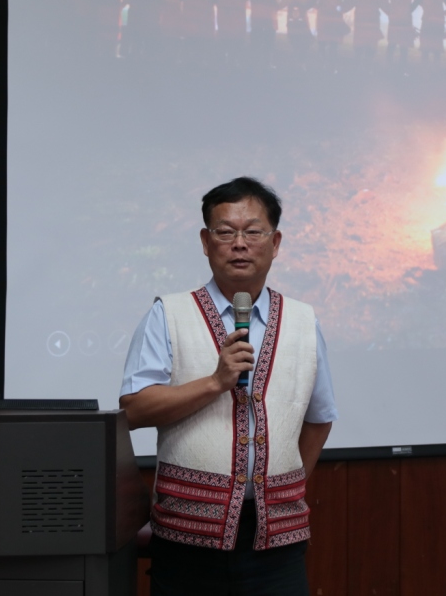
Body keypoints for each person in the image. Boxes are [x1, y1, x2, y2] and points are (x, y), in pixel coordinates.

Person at [120, 177, 337, 596]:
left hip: (276, 543)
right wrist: (215, 382)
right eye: (225, 232)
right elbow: (134, 410)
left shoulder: (303, 321)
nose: (239, 243)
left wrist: (276, 488)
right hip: (187, 539)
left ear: (275, 244)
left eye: (253, 232)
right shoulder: (169, 314)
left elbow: (319, 418)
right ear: (206, 241)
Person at [343, 0, 387, 67]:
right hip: (373, 22)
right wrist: (394, 14)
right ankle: (368, 67)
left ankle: (358, 67)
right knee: (371, 47)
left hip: (360, 22)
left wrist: (339, 9)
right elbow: (384, 3)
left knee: (359, 46)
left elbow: (348, 2)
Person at [309, 0, 349, 68]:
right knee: (333, 45)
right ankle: (332, 65)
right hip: (335, 19)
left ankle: (321, 64)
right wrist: (340, 8)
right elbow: (348, 0)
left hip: (323, 19)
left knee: (322, 43)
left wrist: (319, 7)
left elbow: (312, 1)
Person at [215, 0, 250, 65]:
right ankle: (234, 60)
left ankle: (223, 60)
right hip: (238, 12)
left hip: (223, 11)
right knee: (237, 37)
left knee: (223, 36)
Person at [384, 0, 417, 69]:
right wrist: (410, 9)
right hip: (406, 21)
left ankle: (388, 67)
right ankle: (402, 69)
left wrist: (390, 12)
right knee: (404, 47)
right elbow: (417, 1)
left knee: (392, 45)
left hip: (394, 21)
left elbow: (385, 1)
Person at [284, 0, 314, 69]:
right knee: (304, 45)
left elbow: (280, 5)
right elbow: (312, 6)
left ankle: (296, 64)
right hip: (303, 26)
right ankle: (301, 63)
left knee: (295, 45)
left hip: (291, 26)